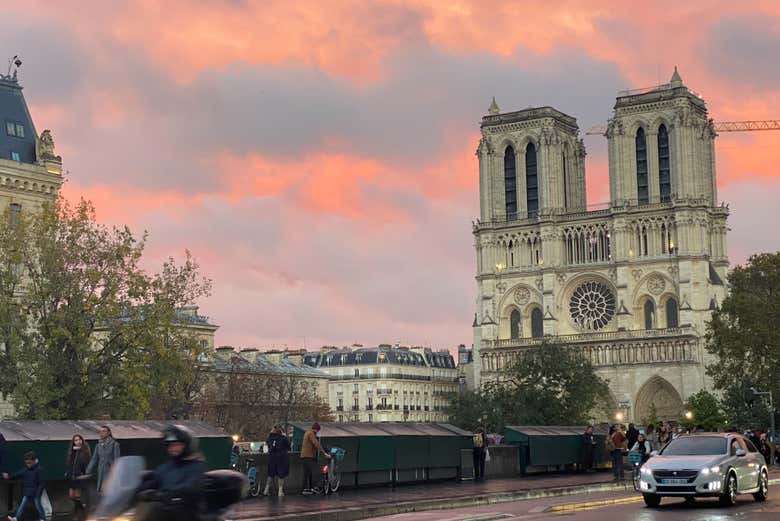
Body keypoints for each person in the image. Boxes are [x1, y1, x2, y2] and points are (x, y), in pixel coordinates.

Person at [136, 425, 208, 521]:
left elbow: (191, 486)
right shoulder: (167, 467)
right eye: (170, 445)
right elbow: (155, 479)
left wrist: (164, 494)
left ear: (187, 445)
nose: (173, 448)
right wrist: (139, 486)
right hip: (165, 512)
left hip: (187, 513)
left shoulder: (197, 466)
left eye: (177, 444)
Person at [3, 451, 46, 521]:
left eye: (29, 463)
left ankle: (42, 518)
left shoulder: (38, 470)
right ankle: (16, 517)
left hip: (34, 492)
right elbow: (17, 475)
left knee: (37, 505)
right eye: (27, 463)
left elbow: (42, 483)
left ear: (34, 461)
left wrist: (38, 493)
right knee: (24, 505)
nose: (28, 465)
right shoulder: (26, 470)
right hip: (29, 492)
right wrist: (9, 477)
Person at [65, 434, 92, 521]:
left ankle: (79, 515)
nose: (78, 442)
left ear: (82, 440)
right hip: (72, 476)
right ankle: (82, 510)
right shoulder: (72, 452)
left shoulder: (85, 451)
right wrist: (67, 472)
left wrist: (85, 474)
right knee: (71, 496)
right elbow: (69, 463)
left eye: (79, 440)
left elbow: (87, 464)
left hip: (79, 476)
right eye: (76, 440)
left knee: (77, 496)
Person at [86, 425, 120, 493]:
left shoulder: (114, 444)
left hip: (110, 471)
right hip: (101, 470)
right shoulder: (98, 445)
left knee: (109, 490)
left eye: (104, 431)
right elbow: (94, 459)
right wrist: (88, 470)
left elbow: (117, 460)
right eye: (100, 431)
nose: (101, 433)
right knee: (101, 491)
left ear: (109, 433)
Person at [300, 423, 330, 495]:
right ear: (316, 429)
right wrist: (324, 453)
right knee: (315, 472)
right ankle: (313, 488)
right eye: (318, 430)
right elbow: (316, 443)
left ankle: (305, 489)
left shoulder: (307, 432)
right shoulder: (311, 433)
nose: (318, 432)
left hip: (304, 456)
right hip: (308, 456)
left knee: (307, 473)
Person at [264, 425, 290, 497]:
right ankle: (280, 491)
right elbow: (288, 446)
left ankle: (266, 490)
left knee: (270, 474)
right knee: (281, 475)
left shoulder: (269, 438)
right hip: (281, 458)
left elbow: (268, 446)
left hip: (272, 458)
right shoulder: (283, 438)